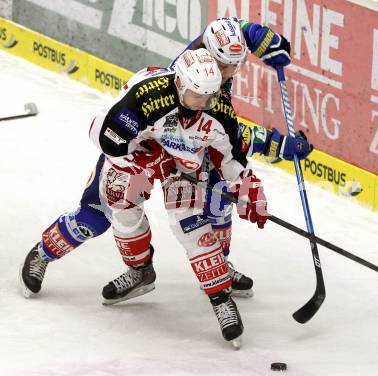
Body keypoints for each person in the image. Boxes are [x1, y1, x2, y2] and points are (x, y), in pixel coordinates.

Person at [21, 17, 297, 302]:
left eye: (235, 66)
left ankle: (219, 267)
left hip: (186, 153)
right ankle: (46, 254)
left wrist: (255, 34)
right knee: (97, 214)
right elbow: (110, 128)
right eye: (224, 65)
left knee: (218, 199)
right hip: (141, 150)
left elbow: (225, 130)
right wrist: (275, 143)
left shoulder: (216, 70)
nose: (228, 73)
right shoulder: (188, 73)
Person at [78, 48, 309, 346]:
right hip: (136, 156)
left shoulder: (219, 112)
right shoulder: (148, 94)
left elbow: (232, 159)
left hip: (183, 167)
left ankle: (221, 298)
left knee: (191, 226)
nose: (204, 104)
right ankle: (139, 272)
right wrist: (139, 157)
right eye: (197, 95)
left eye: (210, 96)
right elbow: (103, 134)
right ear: (180, 85)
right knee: (122, 205)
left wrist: (248, 190)